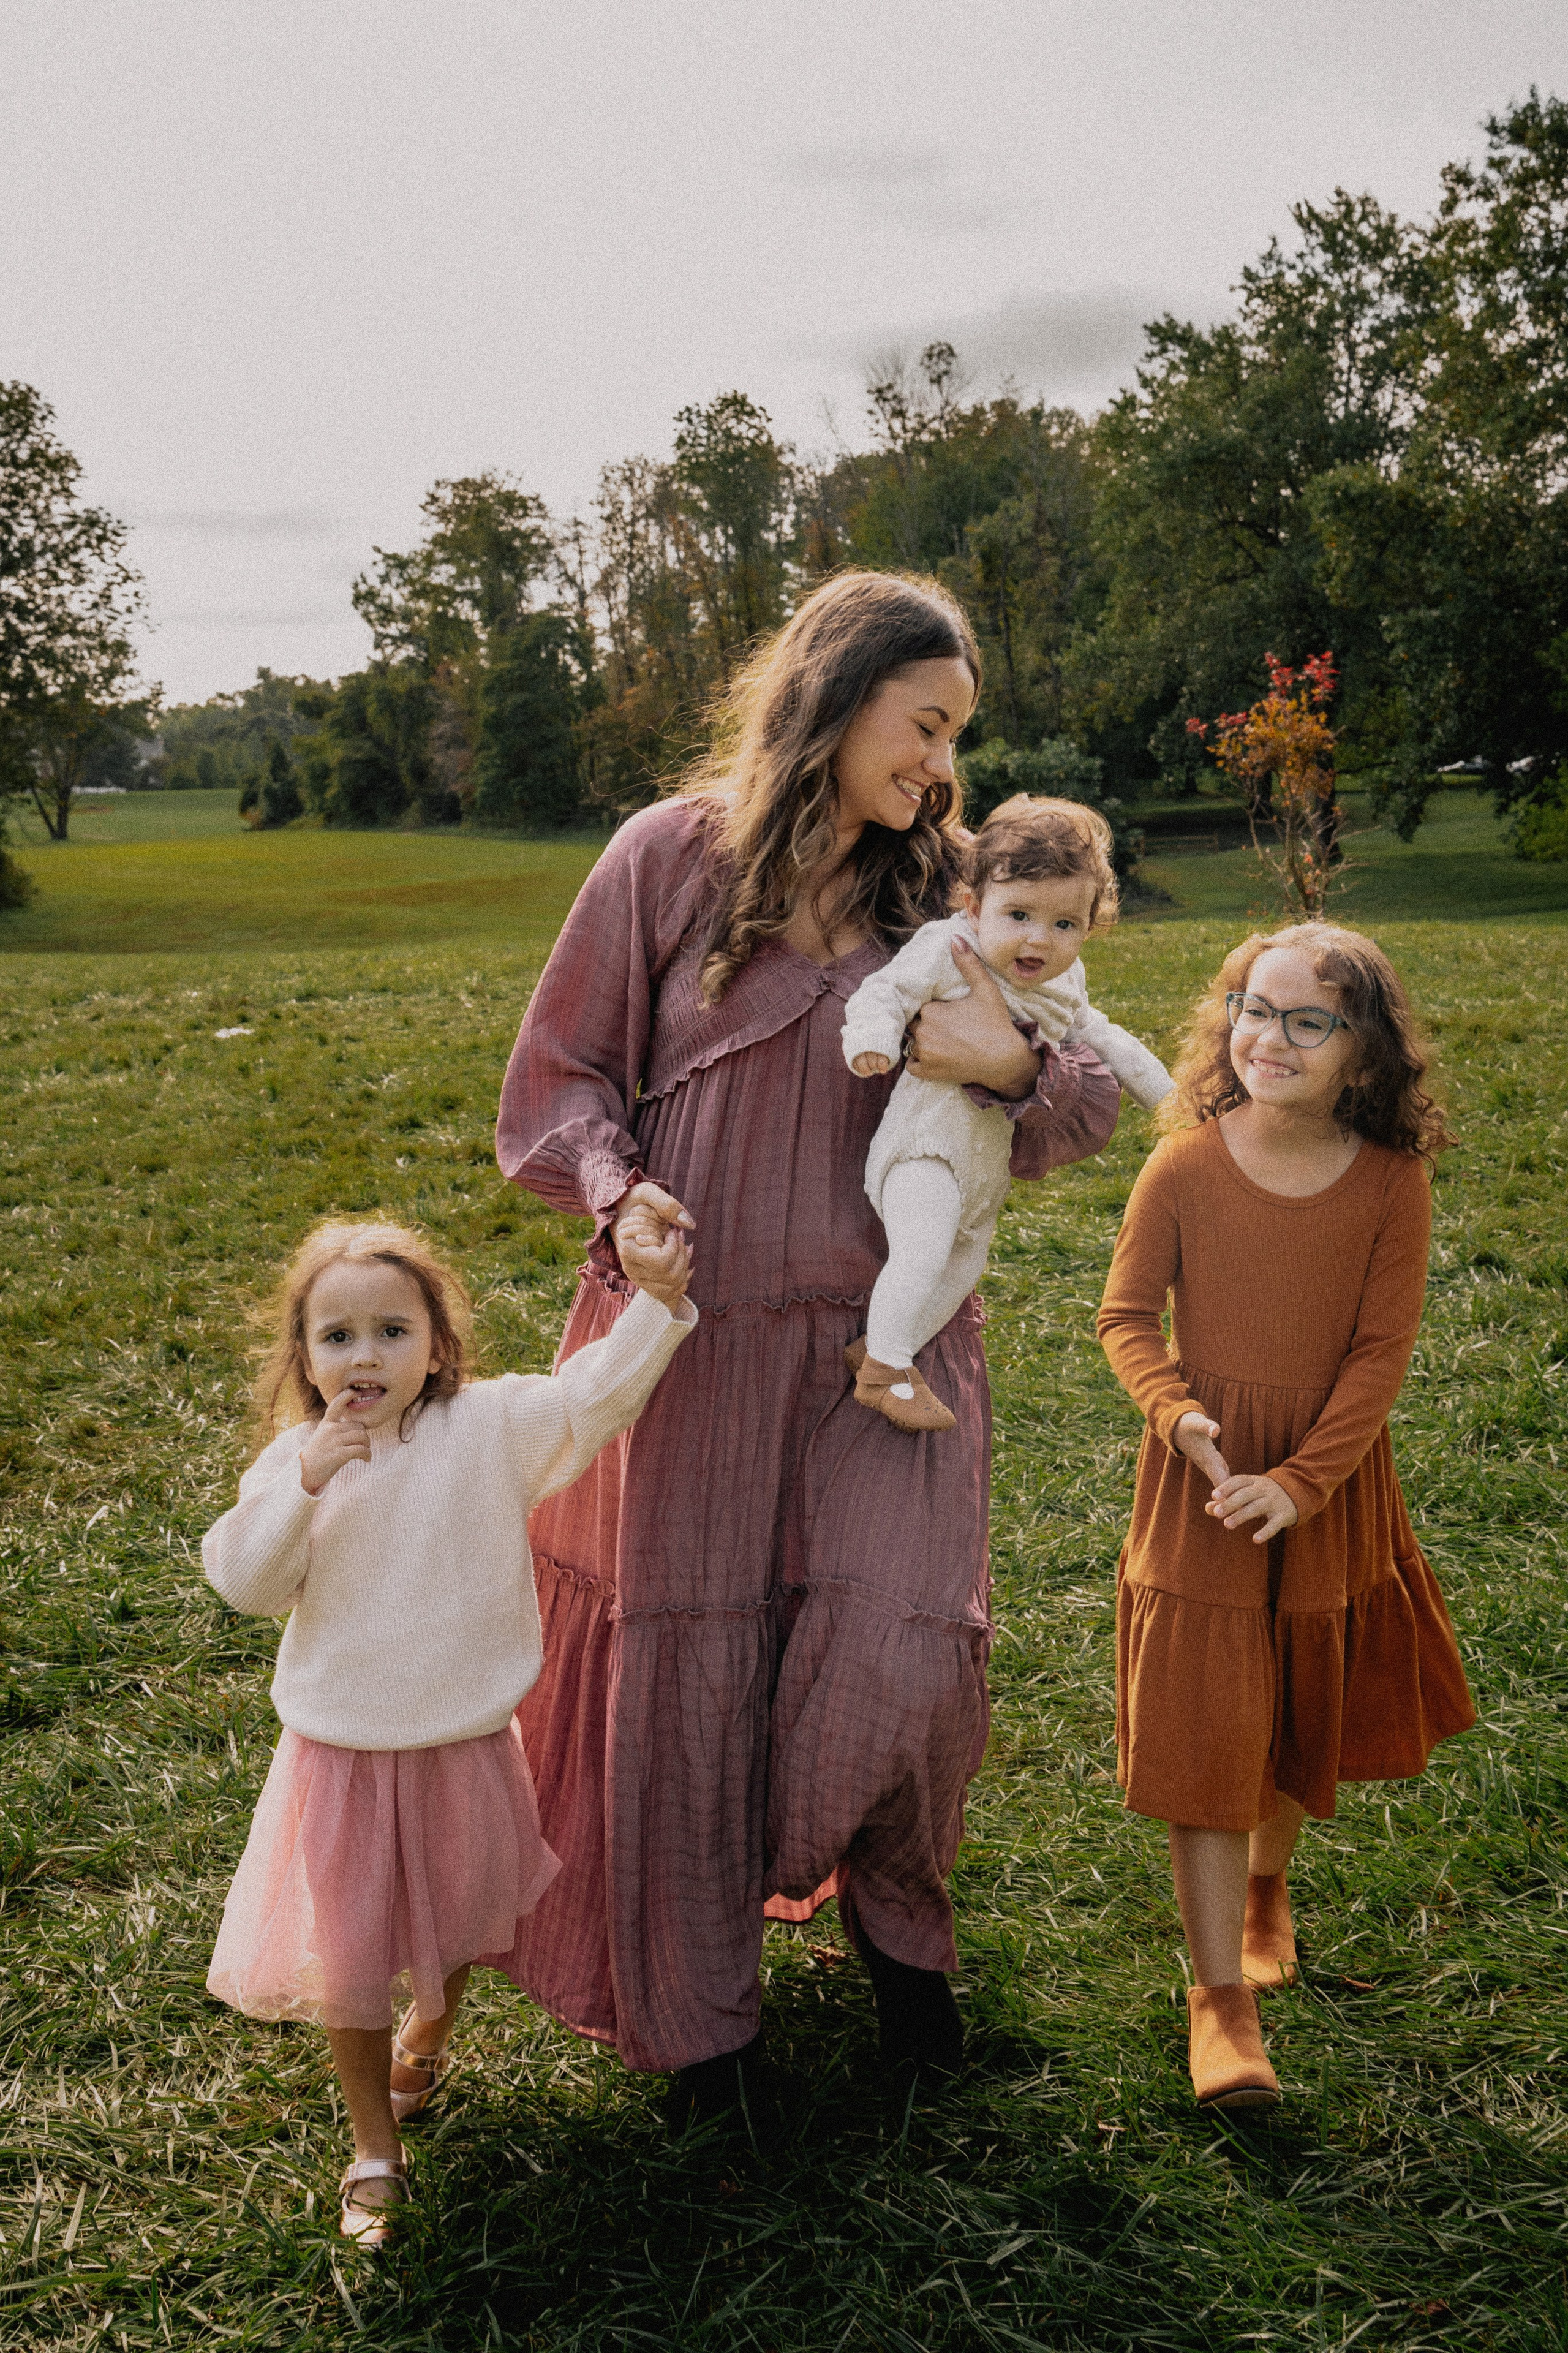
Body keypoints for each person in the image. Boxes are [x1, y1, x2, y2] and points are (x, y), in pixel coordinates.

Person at [496, 570, 1122, 2128]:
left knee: (901, 1639)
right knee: (691, 1669)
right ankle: (702, 2029)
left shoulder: (954, 891)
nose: (939, 764)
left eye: (956, 735)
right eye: (924, 724)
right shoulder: (665, 858)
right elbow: (561, 1077)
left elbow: (1084, 1099)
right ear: (839, 697)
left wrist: (1001, 1072)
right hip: (694, 1350)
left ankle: (903, 1942)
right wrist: (619, 1194)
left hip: (885, 1351)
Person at [202, 1216, 695, 2245]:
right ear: (304, 1357)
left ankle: (430, 2026)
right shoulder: (296, 1462)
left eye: (392, 1329)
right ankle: (373, 2143)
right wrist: (305, 1482)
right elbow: (248, 1583)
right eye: (337, 1337)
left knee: (462, 1906)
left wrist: (657, 1302)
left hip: (465, 1740)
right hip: (341, 1755)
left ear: (437, 1341)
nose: (365, 1354)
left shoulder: (487, 1427)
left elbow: (591, 1395)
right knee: (350, 1952)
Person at [1096, 921, 1474, 2110]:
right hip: (1200, 1487)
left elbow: (1376, 1355)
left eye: (1308, 1020)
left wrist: (1300, 1480)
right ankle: (1219, 2005)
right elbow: (1124, 1320)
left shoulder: (1387, 1184)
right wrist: (1178, 1420)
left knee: (1285, 1713)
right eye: (1252, 1009)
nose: (1269, 1036)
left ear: (1364, 1056)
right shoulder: (1184, 1168)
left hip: (1322, 1486)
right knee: (1208, 1728)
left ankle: (1268, 1881)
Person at [840, 792, 1172, 1431]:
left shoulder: (1062, 984)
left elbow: (1109, 1041)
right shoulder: (947, 945)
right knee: (927, 1244)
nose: (1037, 940)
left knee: (964, 1264)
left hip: (983, 1168)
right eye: (1018, 914)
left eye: (1063, 925)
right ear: (974, 906)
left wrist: (1171, 1101)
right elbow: (884, 992)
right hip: (923, 1146)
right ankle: (885, 1371)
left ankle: (880, 1346)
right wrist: (873, 1042)